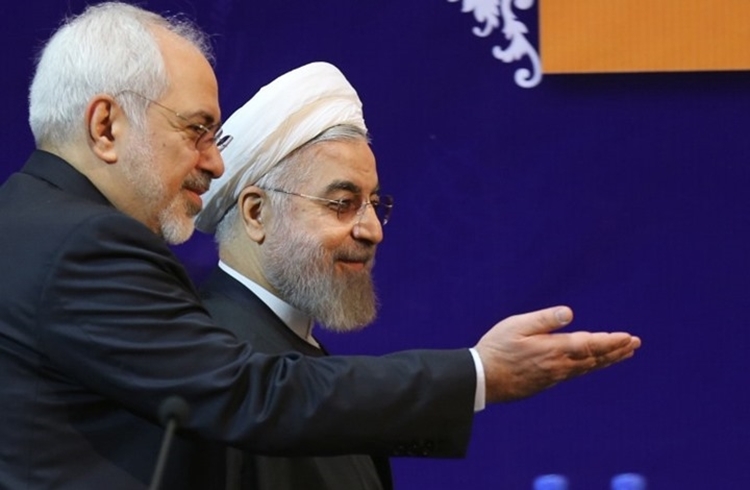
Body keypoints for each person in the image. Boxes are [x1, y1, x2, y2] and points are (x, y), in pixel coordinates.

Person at [0, 2, 641, 489]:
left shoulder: (29, 219)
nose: (213, 163)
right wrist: (479, 374)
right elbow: (253, 397)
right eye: (196, 130)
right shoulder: (90, 245)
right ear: (105, 125)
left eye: (375, 203)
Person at [194, 61, 395, 490]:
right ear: (256, 213)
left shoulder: (304, 357)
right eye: (342, 204)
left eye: (375, 204)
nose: (372, 230)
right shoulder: (212, 364)